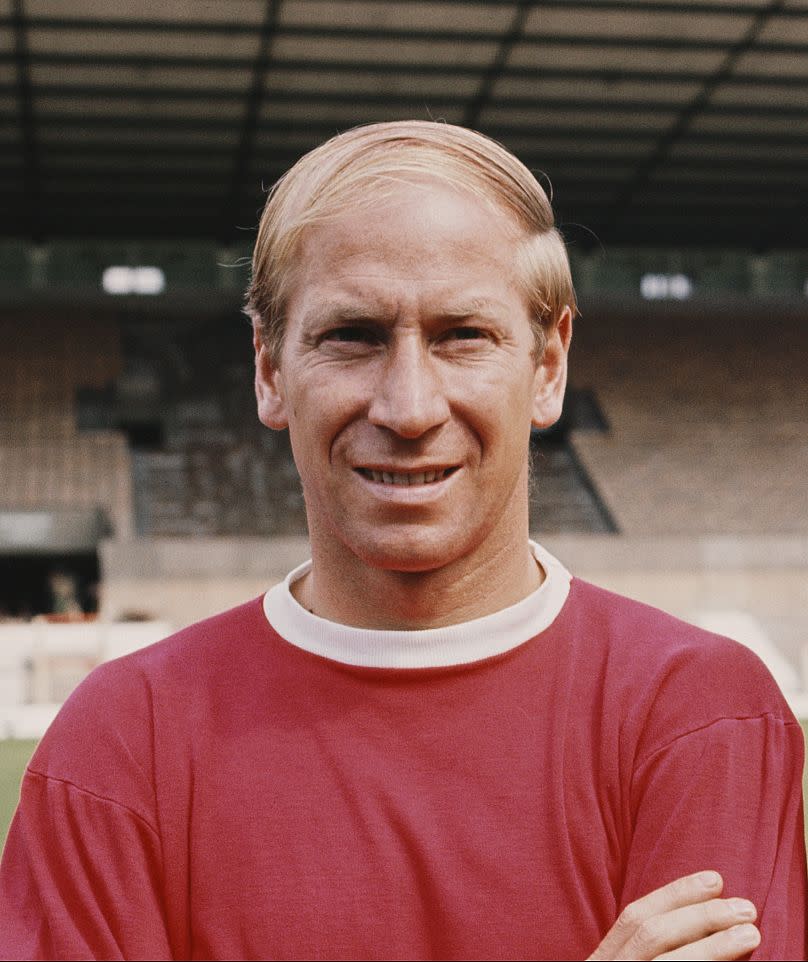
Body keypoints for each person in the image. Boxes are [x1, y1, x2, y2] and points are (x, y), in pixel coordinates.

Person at [1, 121, 805, 960]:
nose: (409, 407)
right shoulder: (125, 742)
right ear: (270, 371)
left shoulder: (697, 716)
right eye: (353, 336)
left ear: (549, 366)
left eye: (463, 334)